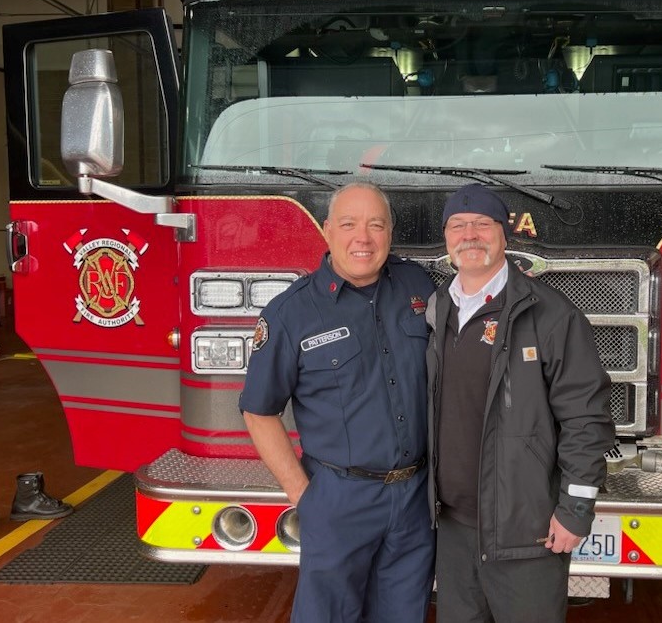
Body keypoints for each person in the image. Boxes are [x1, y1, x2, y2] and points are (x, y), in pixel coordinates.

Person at [240, 183, 435, 623]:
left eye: (375, 225)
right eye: (348, 224)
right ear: (327, 231)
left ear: (390, 233)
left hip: (414, 498)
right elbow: (258, 409)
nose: (362, 238)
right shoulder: (289, 314)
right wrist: (303, 496)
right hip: (338, 497)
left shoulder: (417, 287)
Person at [426, 183, 615, 623]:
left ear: (504, 236)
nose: (470, 235)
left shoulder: (550, 315)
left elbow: (586, 418)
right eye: (458, 226)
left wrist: (575, 510)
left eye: (482, 225)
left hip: (527, 531)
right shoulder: (436, 310)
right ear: (447, 239)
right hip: (453, 529)